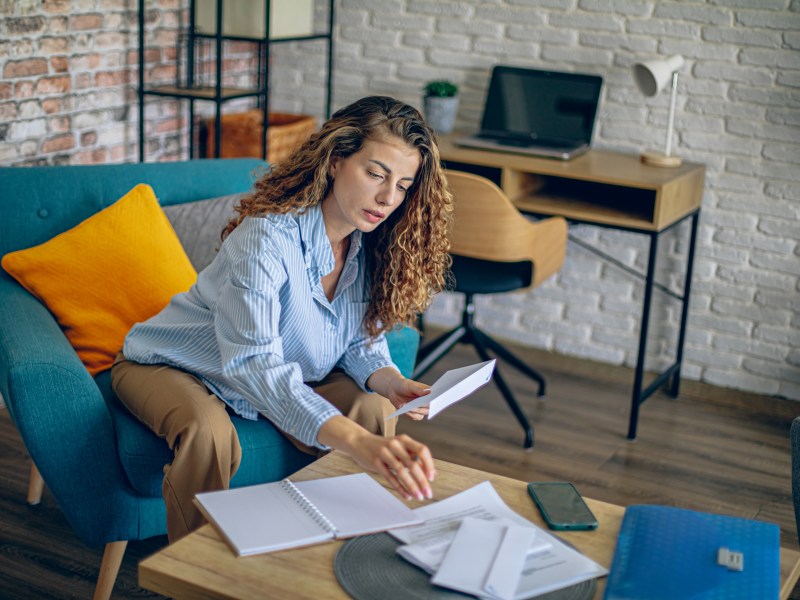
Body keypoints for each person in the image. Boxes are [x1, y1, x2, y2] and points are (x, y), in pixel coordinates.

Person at [111, 96, 454, 542]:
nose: (389, 198)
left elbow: (358, 340)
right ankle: (197, 574)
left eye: (404, 185)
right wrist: (357, 443)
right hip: (173, 364)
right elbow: (255, 365)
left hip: (273, 372)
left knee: (371, 406)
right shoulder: (265, 240)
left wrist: (390, 381)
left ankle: (334, 547)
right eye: (376, 174)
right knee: (209, 433)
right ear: (335, 162)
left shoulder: (370, 243)